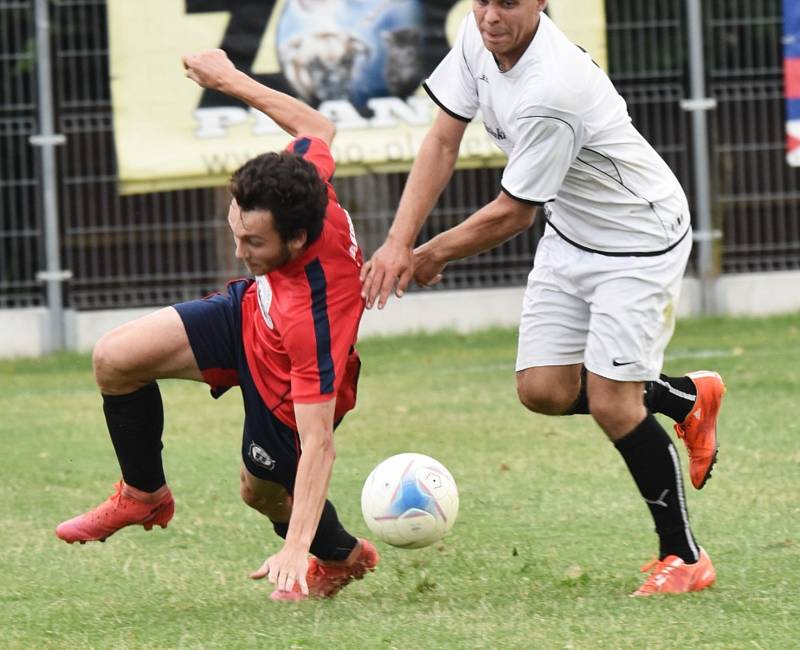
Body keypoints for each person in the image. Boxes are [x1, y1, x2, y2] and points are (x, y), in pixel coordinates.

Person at [361, 0, 724, 596]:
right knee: (543, 390)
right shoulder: (479, 35)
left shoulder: (553, 88)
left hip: (638, 239)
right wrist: (398, 241)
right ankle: (684, 396)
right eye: (481, 0)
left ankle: (684, 557)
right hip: (572, 232)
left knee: (612, 404)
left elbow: (512, 213)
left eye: (507, 1)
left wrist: (427, 255)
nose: (490, 14)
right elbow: (442, 140)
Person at [55, 49, 378, 602]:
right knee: (115, 359)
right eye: (236, 232)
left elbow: (319, 443)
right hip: (250, 312)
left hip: (286, 375)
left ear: (297, 240)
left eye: (254, 243)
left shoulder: (314, 315)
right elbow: (317, 126)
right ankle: (143, 493)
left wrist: (295, 545)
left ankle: (339, 555)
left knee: (261, 493)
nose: (239, 249)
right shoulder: (304, 183)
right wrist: (229, 79)